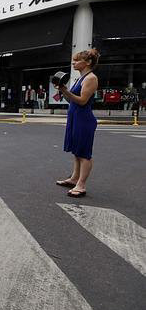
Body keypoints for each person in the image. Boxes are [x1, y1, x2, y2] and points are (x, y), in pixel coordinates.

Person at [55, 48, 101, 198]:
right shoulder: (81, 78)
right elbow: (71, 100)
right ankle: (74, 178)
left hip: (84, 119)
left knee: (84, 153)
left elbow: (82, 101)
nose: (73, 62)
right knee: (76, 152)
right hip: (75, 117)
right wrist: (63, 90)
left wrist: (66, 91)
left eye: (76, 60)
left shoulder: (91, 78)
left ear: (88, 62)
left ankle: (81, 185)